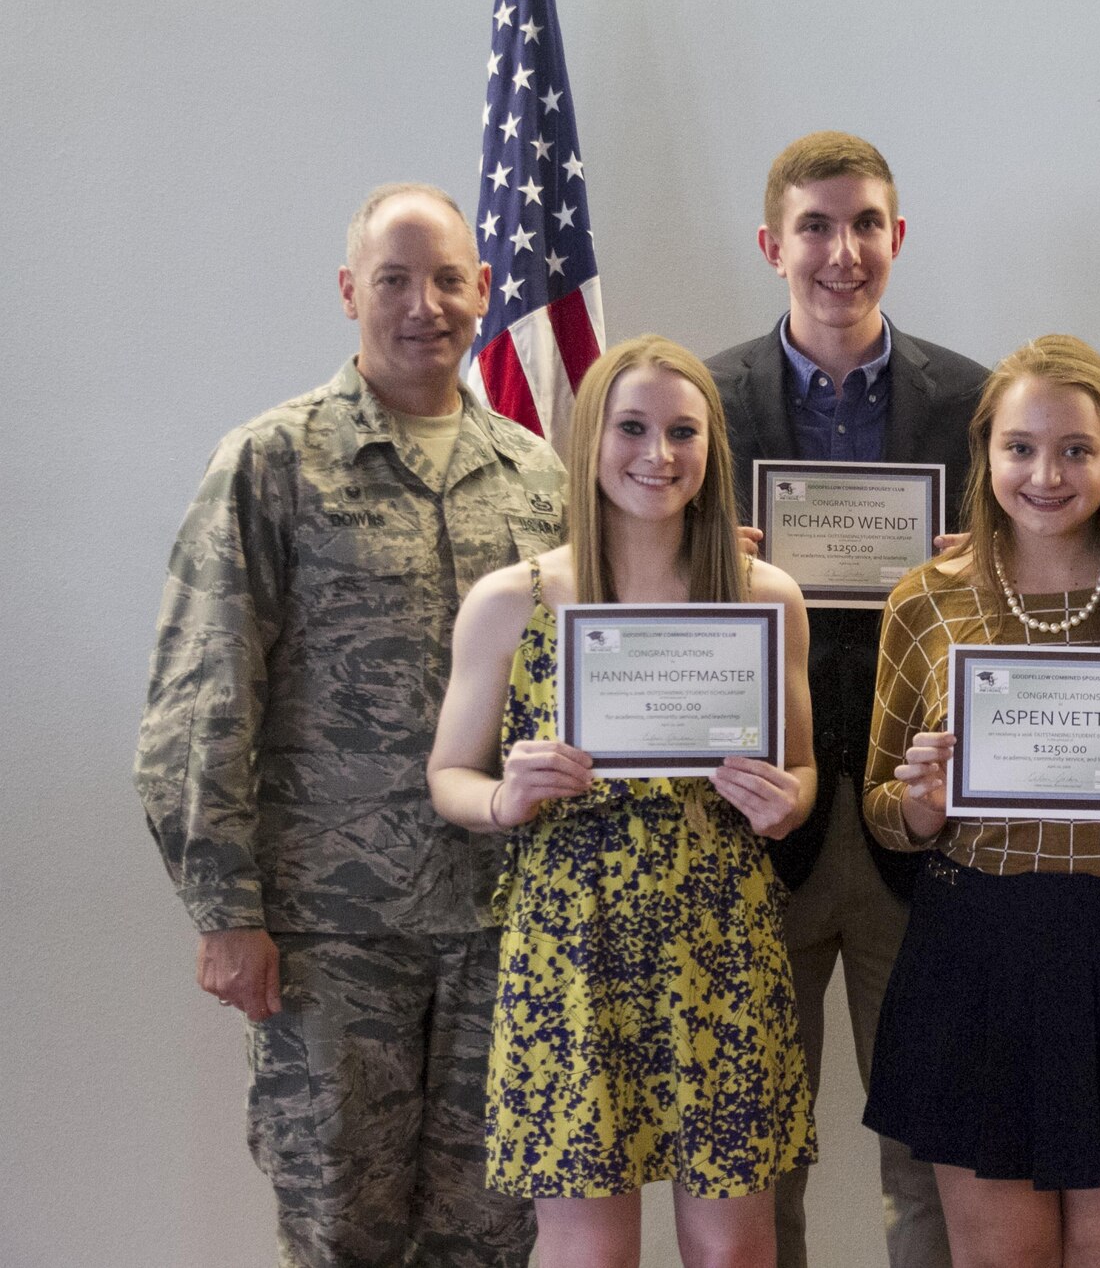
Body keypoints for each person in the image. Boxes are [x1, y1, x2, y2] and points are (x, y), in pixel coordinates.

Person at [134, 183, 565, 1268]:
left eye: (449, 279)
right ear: (347, 293)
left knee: (494, 1232)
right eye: (393, 278)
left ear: (482, 292)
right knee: (342, 1231)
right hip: (332, 937)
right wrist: (225, 908)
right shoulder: (272, 464)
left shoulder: (540, 476)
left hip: (507, 929)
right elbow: (202, 695)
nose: (425, 304)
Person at [427, 334, 818, 1268]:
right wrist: (505, 798)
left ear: (712, 448)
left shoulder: (764, 595)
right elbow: (449, 774)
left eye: (684, 431)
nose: (659, 453)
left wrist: (783, 803)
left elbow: (802, 775)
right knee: (589, 1254)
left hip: (719, 935)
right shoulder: (512, 599)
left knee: (732, 1250)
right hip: (571, 941)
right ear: (588, 438)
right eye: (632, 427)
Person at [861, 335, 1100, 1268]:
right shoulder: (924, 599)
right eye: (1020, 447)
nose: (1047, 473)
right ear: (985, 457)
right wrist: (919, 807)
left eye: (1076, 448)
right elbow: (878, 803)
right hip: (976, 948)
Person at [708, 129, 987, 1268]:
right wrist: (695, 572)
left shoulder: (972, 402)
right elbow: (620, 603)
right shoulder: (698, 406)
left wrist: (990, 571)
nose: (841, 251)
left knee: (927, 1147)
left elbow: (1024, 605)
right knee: (757, 1150)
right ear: (772, 244)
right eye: (815, 227)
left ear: (897, 237)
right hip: (750, 823)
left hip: (911, 826)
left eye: (864, 224)